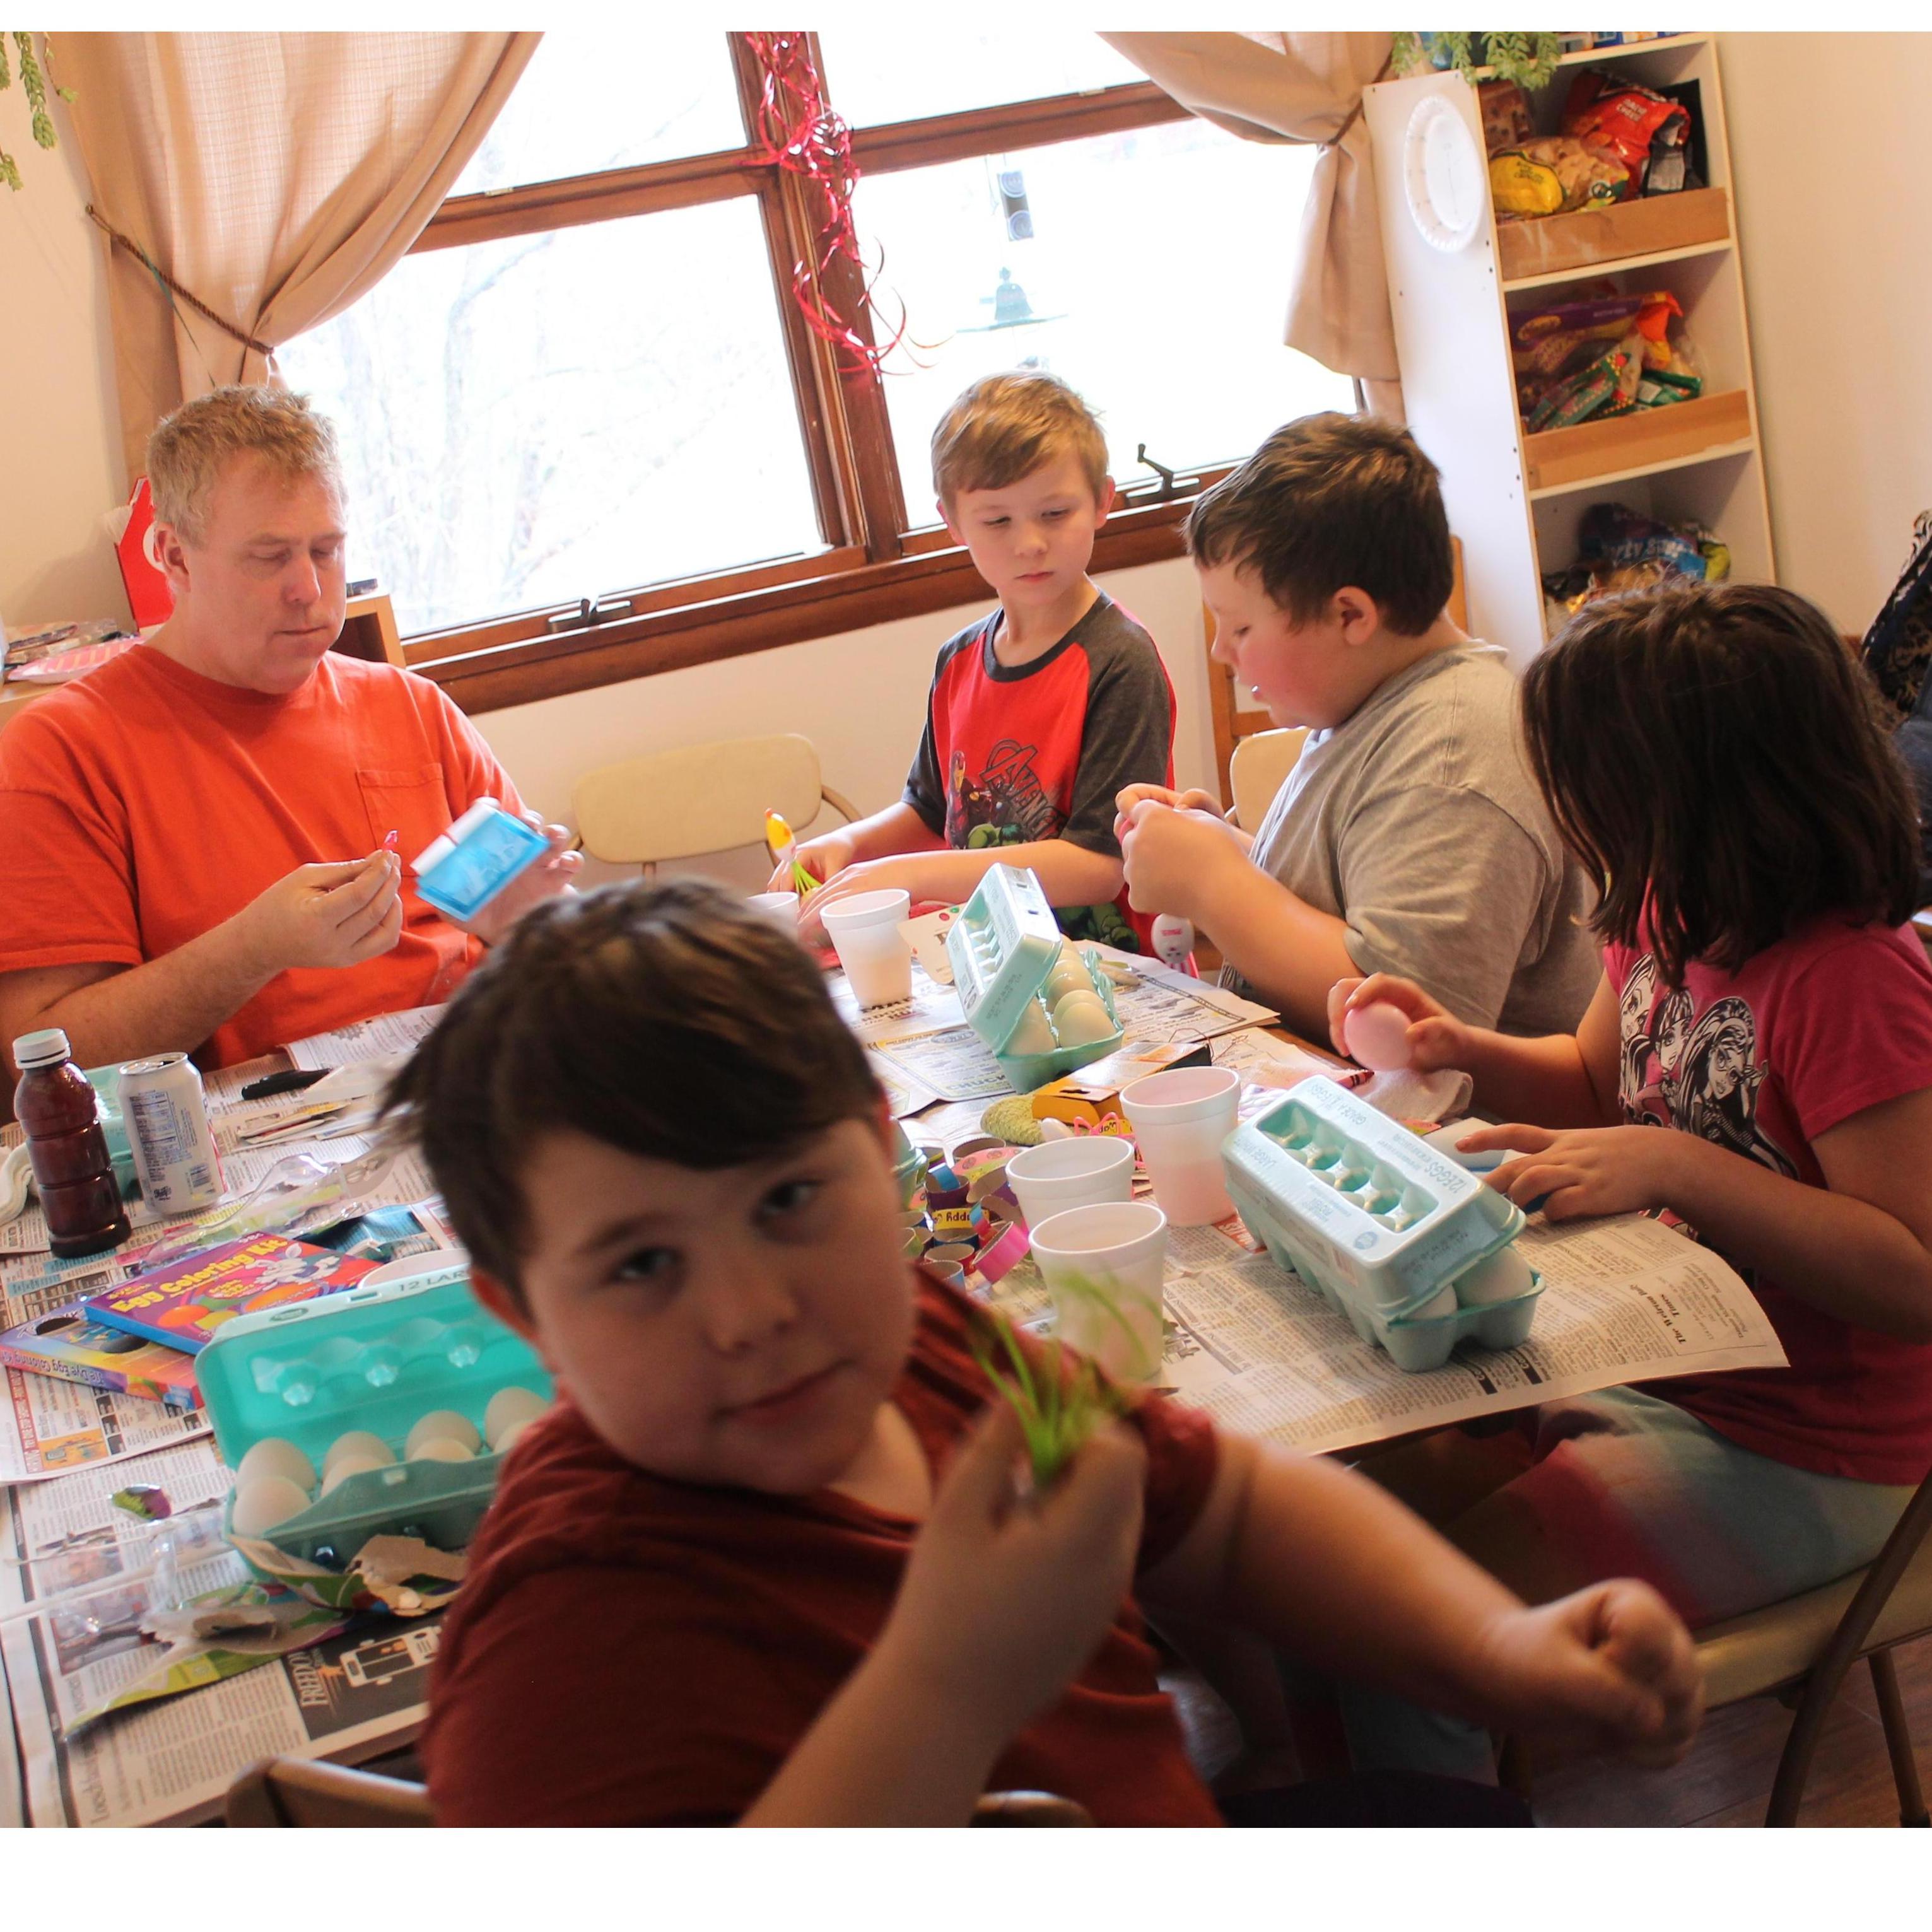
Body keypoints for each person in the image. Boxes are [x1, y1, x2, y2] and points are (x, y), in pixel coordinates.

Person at [389, 877, 1702, 1827]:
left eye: (789, 1201)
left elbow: (1225, 1511)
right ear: (521, 1315)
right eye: (639, 1264)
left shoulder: (924, 1345)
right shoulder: (560, 1639)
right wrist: (948, 1683)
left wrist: (1495, 1647)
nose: (748, 1310)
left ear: (878, 1140)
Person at [1322, 580, 1932, 1779]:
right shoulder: (1665, 905)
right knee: (1327, 1543)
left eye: (1588, 791)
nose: (1568, 816)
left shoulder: (1851, 980)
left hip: (1818, 1449)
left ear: (1693, 798)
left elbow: (1914, 1274)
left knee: (1414, 1640)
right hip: (1656, 1365)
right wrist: (1461, 1047)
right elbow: (1597, 1081)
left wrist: (1676, 1166)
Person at [0, 387, 577, 1091]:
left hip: (477, 1084)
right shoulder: (61, 752)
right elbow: (46, 1057)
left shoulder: (408, 704)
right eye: (269, 558)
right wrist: (254, 949)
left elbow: (556, 953)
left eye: (326, 551)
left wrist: (529, 924)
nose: (308, 588)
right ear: (173, 557)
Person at [1113, 413, 1600, 1041]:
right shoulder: (1366, 700)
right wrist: (1220, 848)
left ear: (1350, 615)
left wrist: (1214, 884)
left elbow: (1404, 1020)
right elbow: (1343, 900)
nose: (1220, 653)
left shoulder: (1453, 761)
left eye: (1239, 629)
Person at [776, 372, 1176, 954]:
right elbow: (929, 808)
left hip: (1114, 977)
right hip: (991, 965)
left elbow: (1097, 865)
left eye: (1055, 512)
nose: (1030, 543)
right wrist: (848, 843)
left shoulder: (1120, 660)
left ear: (1102, 503)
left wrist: (906, 874)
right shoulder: (959, 660)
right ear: (953, 523)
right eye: (997, 521)